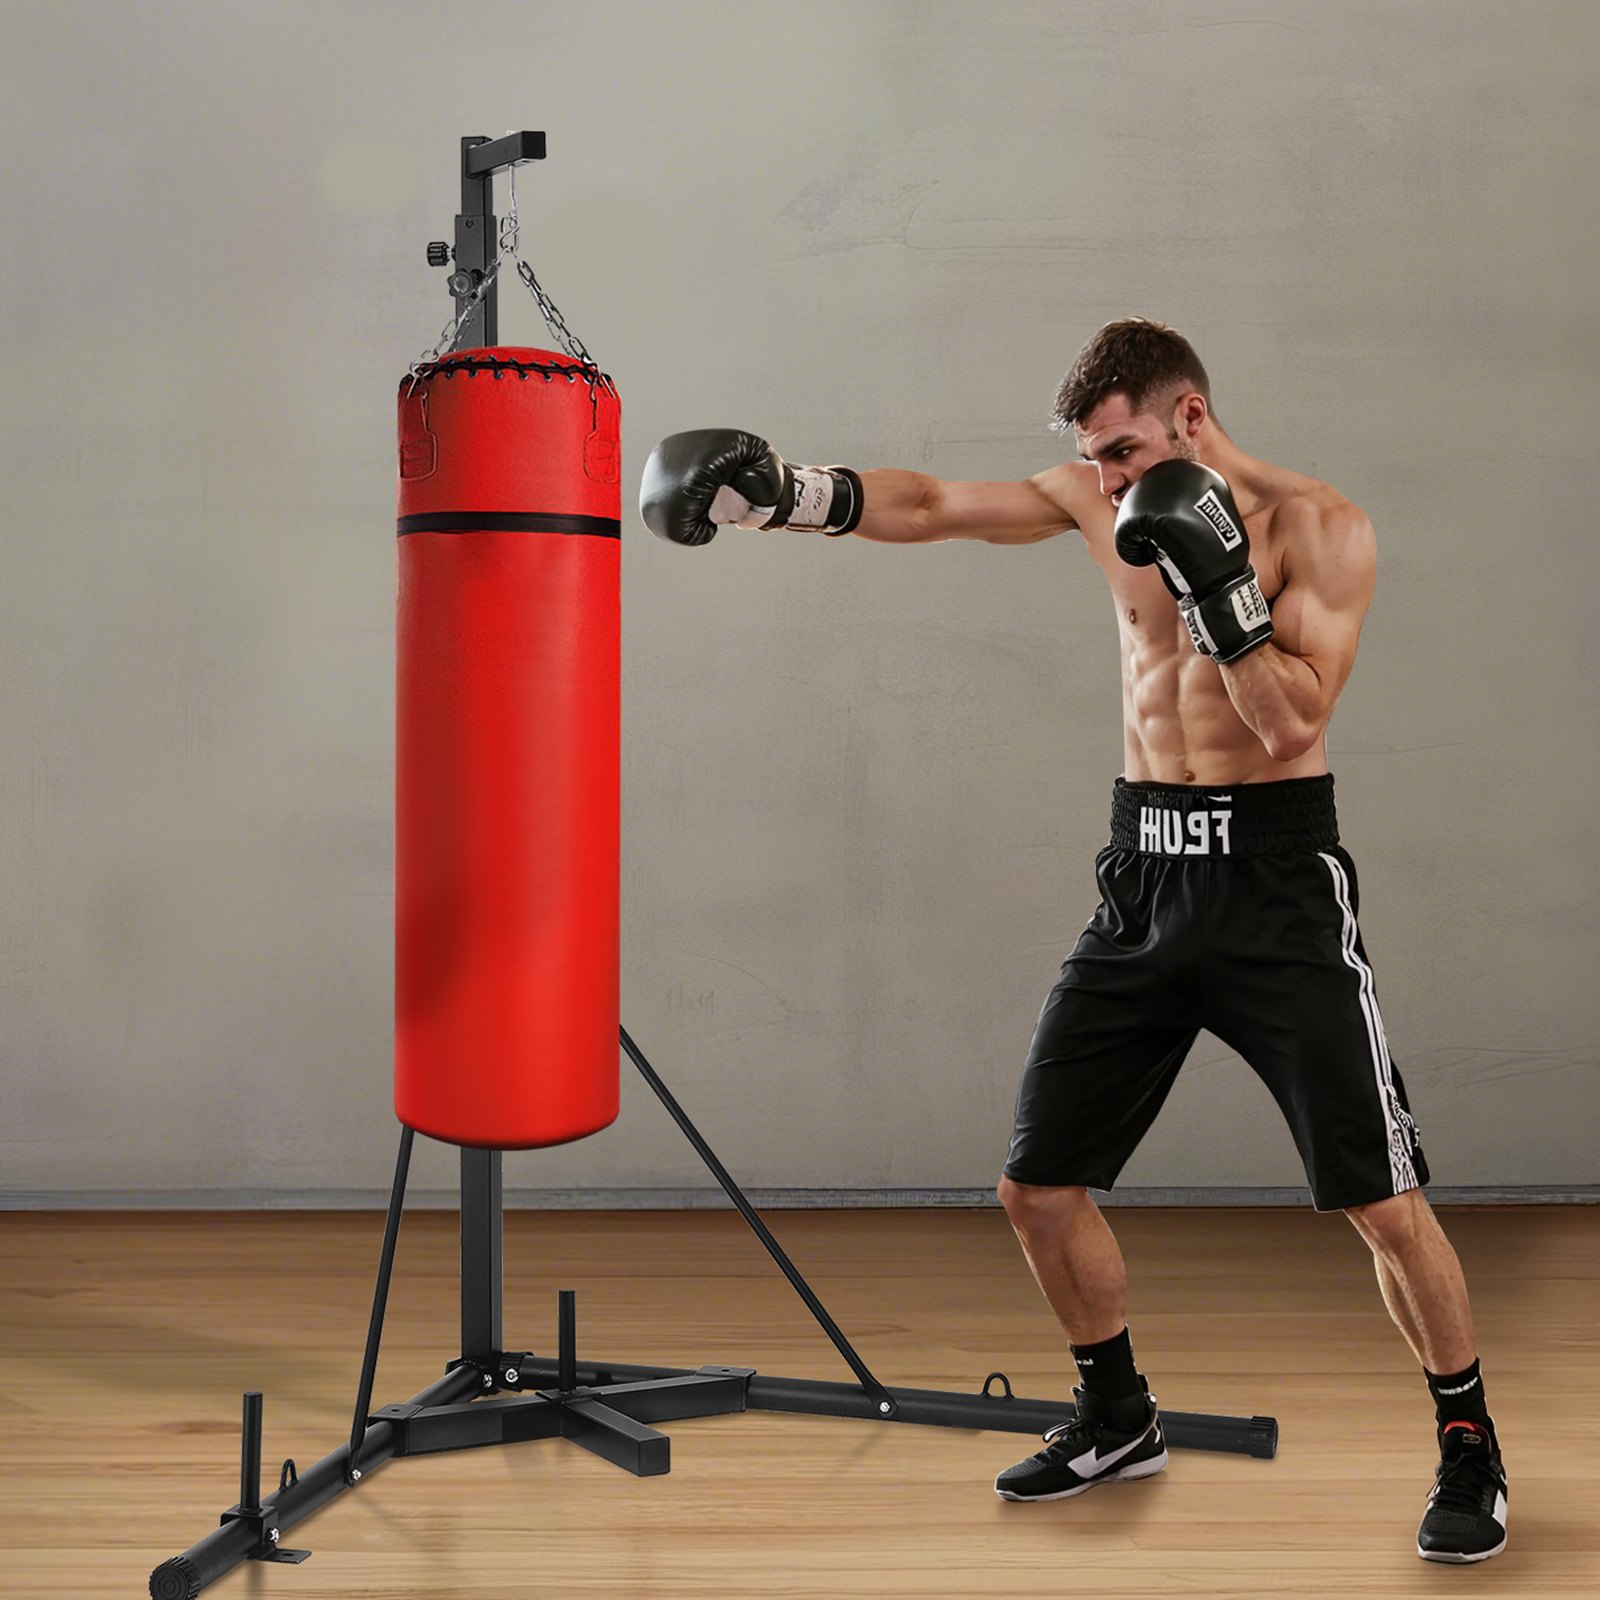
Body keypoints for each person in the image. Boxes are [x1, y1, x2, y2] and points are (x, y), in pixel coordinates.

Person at [639, 318, 1507, 1564]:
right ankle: (1116, 1415)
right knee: (1036, 1188)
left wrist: (1219, 592)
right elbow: (934, 503)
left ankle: (1468, 1442)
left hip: (1276, 889)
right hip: (1141, 878)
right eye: (1093, 457)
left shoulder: (1321, 527)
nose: (1103, 481)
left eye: (1122, 452)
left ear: (1190, 417)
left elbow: (1286, 723)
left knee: (1380, 1200)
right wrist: (788, 496)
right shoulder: (1094, 497)